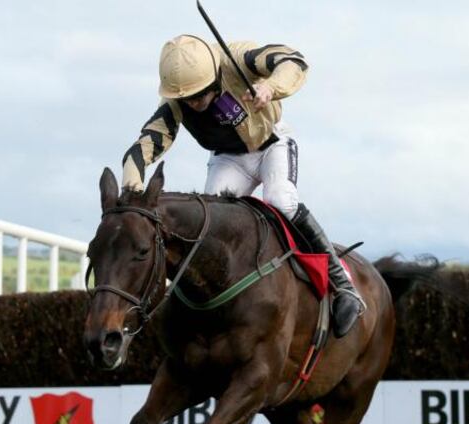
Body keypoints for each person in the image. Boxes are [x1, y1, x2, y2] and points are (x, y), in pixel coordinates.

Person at [121, 34, 365, 337]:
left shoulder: (237, 58)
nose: (194, 105)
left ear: (214, 78)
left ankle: (343, 285)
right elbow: (145, 145)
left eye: (199, 95)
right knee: (208, 224)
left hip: (272, 145)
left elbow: (294, 60)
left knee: (281, 199)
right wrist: (131, 189)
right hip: (229, 159)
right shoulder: (176, 100)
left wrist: (270, 86)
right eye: (187, 100)